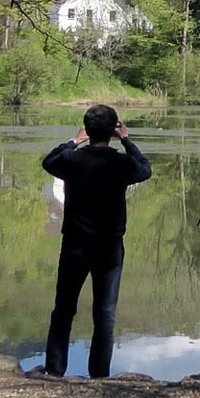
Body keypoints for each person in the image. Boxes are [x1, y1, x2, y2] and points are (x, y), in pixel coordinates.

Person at [40, 104, 151, 378]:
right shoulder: (121, 163)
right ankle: (99, 375)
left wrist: (74, 141)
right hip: (109, 248)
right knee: (105, 314)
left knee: (63, 310)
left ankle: (54, 370)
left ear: (87, 131)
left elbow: (48, 161)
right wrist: (127, 140)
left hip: (75, 245)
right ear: (113, 132)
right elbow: (145, 169)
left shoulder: (72, 160)